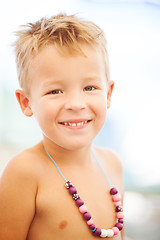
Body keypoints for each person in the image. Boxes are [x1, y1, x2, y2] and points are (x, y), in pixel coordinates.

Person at [0, 14, 124, 239]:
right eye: (55, 91)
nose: (76, 104)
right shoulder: (24, 173)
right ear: (26, 103)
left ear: (108, 93)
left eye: (89, 87)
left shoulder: (112, 164)